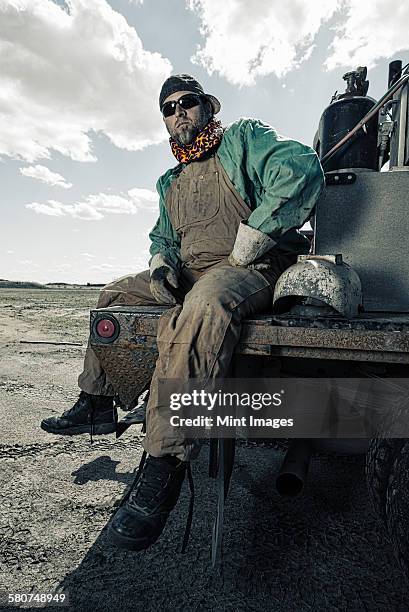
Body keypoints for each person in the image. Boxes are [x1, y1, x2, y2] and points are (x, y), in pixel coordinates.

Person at [41, 74, 325, 551]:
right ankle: (97, 400)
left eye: (186, 103)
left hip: (250, 265)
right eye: (168, 109)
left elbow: (299, 168)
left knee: (204, 309)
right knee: (114, 294)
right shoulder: (169, 181)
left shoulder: (243, 140)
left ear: (206, 107)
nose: (178, 114)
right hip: (194, 273)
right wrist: (162, 266)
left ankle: (163, 465)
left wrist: (255, 234)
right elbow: (163, 239)